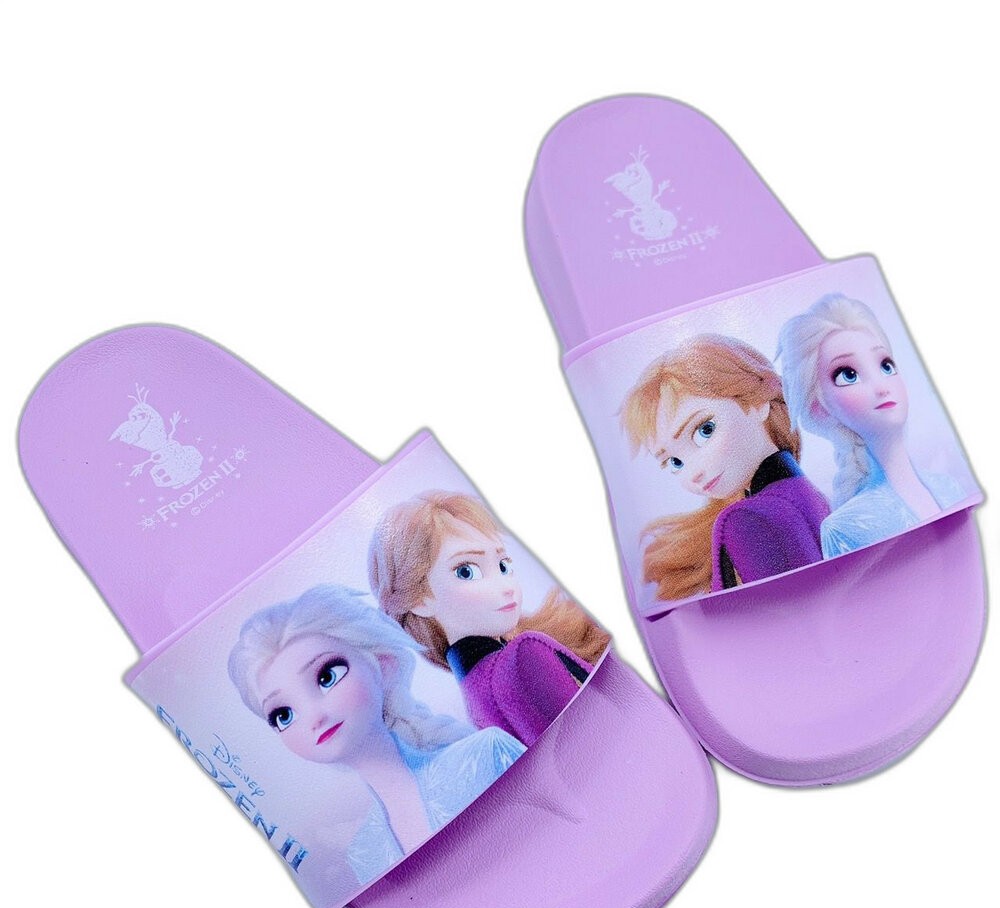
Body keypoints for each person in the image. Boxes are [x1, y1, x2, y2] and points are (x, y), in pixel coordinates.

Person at [228, 584, 524, 885]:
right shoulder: (365, 852)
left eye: (327, 677)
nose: (314, 717)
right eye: (283, 714)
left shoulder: (485, 753)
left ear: (383, 665)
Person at [368, 492, 609, 745]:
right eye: (466, 571)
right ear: (419, 600)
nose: (507, 587)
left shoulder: (476, 695)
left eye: (504, 566)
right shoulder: (524, 656)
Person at [621, 333, 829, 601]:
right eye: (675, 462)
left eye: (705, 430)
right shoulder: (810, 497)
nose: (694, 472)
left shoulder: (746, 520)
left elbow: (778, 615)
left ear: (757, 403)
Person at [777, 294, 962, 557]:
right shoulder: (845, 527)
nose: (881, 386)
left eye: (886, 366)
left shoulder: (949, 487)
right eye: (848, 375)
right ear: (820, 407)